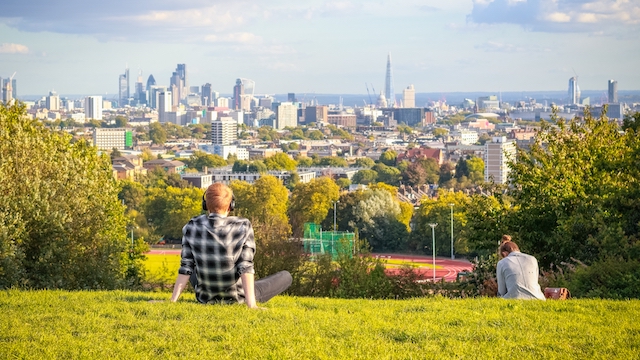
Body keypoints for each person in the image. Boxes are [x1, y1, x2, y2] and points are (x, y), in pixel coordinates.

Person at [170, 183, 292, 308]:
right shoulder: (243, 226)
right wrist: (252, 305)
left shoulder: (192, 225)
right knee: (286, 276)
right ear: (230, 206)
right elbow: (245, 267)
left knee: (194, 267)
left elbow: (186, 267)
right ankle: (249, 296)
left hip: (205, 298)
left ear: (206, 205)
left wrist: (172, 301)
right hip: (237, 297)